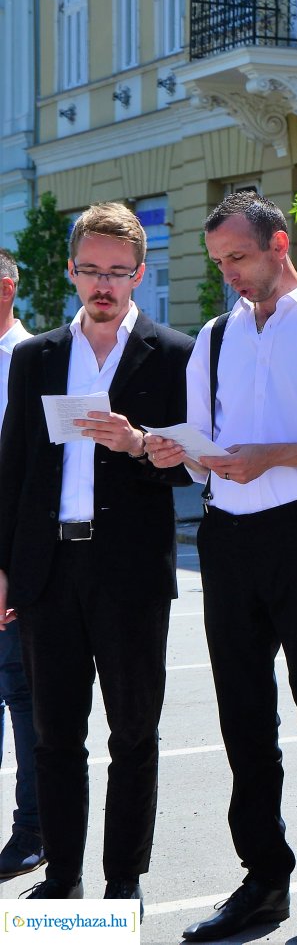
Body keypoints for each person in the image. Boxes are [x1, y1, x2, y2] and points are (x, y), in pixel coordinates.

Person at [146, 194, 297, 944]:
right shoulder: (215, 335)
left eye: (239, 257)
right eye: (220, 262)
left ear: (280, 244)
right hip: (225, 539)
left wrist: (273, 456)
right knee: (243, 718)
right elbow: (204, 443)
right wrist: (176, 451)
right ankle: (263, 880)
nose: (229, 273)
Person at [0, 204, 194, 910]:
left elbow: (192, 464)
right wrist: (4, 568)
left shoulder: (173, 353)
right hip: (49, 569)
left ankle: (123, 879)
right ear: (71, 271)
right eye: (90, 270)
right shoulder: (38, 356)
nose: (103, 285)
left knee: (133, 732)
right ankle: (62, 875)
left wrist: (138, 444)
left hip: (131, 571)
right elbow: (13, 467)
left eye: (117, 272)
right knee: (54, 735)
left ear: (139, 273)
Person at [0, 250, 43, 882]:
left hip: (9, 563)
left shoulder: (31, 361)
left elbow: (31, 477)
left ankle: (33, 829)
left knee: (22, 698)